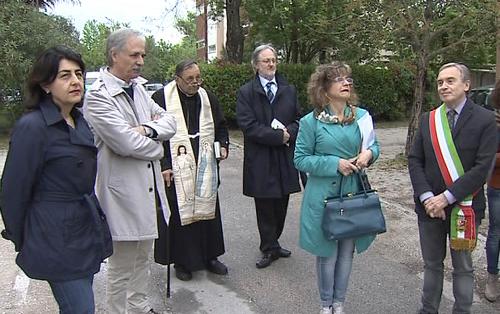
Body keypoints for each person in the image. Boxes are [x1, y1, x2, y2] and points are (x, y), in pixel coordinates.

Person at [0, 46, 112, 313]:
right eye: (64, 75)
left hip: (84, 228)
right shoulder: (33, 127)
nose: (76, 81)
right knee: (80, 309)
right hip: (54, 236)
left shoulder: (78, 120)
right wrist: (24, 238)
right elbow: (13, 191)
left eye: (79, 74)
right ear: (46, 84)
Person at [83, 29, 176, 314]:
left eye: (142, 55)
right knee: (122, 266)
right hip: (121, 193)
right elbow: (124, 142)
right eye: (134, 54)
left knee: (142, 260)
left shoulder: (138, 88)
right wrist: (158, 147)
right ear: (114, 55)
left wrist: (148, 128)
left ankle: (140, 308)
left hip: (147, 189)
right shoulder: (98, 97)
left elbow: (170, 122)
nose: (140, 61)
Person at [408, 63, 497, 314]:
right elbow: (415, 160)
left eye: (450, 81)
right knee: (432, 264)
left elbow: (482, 168)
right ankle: (428, 310)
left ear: (466, 85)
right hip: (429, 209)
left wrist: (446, 198)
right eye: (439, 82)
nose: (444, 86)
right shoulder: (429, 119)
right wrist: (427, 197)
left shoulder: (486, 119)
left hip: (465, 208)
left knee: (463, 267)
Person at [294, 63, 380, 314]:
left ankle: (339, 304)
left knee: (346, 251)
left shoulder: (361, 117)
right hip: (323, 197)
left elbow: (374, 147)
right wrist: (334, 163)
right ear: (323, 88)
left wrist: (368, 155)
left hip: (353, 193)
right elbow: (300, 159)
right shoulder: (311, 122)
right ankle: (325, 305)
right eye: (338, 79)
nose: (346, 83)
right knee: (327, 252)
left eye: (348, 79)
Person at [151, 60, 229, 281]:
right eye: (190, 79)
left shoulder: (207, 97)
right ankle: (182, 261)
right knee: (180, 213)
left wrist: (223, 144)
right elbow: (155, 135)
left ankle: (211, 256)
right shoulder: (160, 99)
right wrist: (164, 164)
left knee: (208, 208)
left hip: (204, 161)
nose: (196, 83)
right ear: (177, 79)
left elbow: (221, 126)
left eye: (198, 78)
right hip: (176, 163)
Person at [236, 44, 301, 269]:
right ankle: (268, 247)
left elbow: (298, 120)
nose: (271, 64)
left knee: (282, 200)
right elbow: (248, 125)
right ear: (256, 64)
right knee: (264, 203)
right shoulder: (246, 92)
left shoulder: (289, 89)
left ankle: (275, 241)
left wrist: (289, 133)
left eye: (273, 60)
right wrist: (277, 136)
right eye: (266, 60)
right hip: (261, 157)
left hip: (284, 156)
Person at [485, 80, 500, 302]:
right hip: (497, 185)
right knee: (496, 232)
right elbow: (488, 159)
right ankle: (492, 277)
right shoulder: (494, 124)